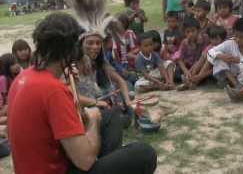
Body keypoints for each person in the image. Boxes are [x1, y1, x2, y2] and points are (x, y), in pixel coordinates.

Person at [8, 12, 157, 174]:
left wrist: (67, 85)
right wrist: (92, 120)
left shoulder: (23, 77)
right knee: (144, 153)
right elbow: (85, 162)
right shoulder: (52, 90)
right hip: (60, 169)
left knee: (111, 116)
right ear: (71, 50)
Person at [208, 18, 243, 90]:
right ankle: (236, 84)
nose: (238, 39)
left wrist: (239, 61)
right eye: (236, 36)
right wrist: (220, 56)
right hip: (231, 74)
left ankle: (236, 85)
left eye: (241, 37)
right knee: (218, 59)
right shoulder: (230, 42)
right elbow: (210, 52)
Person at [174, 16, 207, 91]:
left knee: (203, 74)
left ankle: (189, 83)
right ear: (184, 33)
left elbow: (204, 57)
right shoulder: (184, 43)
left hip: (199, 66)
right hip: (188, 66)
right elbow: (179, 59)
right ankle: (188, 81)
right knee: (176, 72)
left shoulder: (204, 39)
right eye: (188, 32)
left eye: (193, 31)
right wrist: (186, 71)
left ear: (198, 30)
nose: (190, 34)